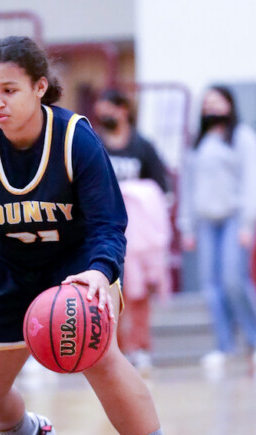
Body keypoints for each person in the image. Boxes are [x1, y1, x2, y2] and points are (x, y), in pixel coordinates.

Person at [0, 36, 194, 435]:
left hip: (77, 268)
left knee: (100, 357)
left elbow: (110, 222)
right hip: (5, 269)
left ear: (39, 87)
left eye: (9, 90)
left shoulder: (75, 139)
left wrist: (100, 272)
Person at [176, 85, 256, 370]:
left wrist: (248, 223)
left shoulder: (242, 138)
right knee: (211, 286)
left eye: (217, 102)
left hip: (234, 219)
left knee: (234, 280)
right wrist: (187, 227)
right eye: (207, 103)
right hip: (206, 221)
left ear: (230, 105)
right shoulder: (197, 144)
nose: (211, 107)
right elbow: (187, 186)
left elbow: (252, 181)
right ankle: (225, 346)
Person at [93, 89, 172, 373]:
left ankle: (140, 347)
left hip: (137, 233)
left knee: (138, 293)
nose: (104, 116)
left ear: (123, 110)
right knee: (109, 290)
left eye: (109, 110)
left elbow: (161, 188)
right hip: (103, 229)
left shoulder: (142, 146)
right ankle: (112, 348)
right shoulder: (95, 144)